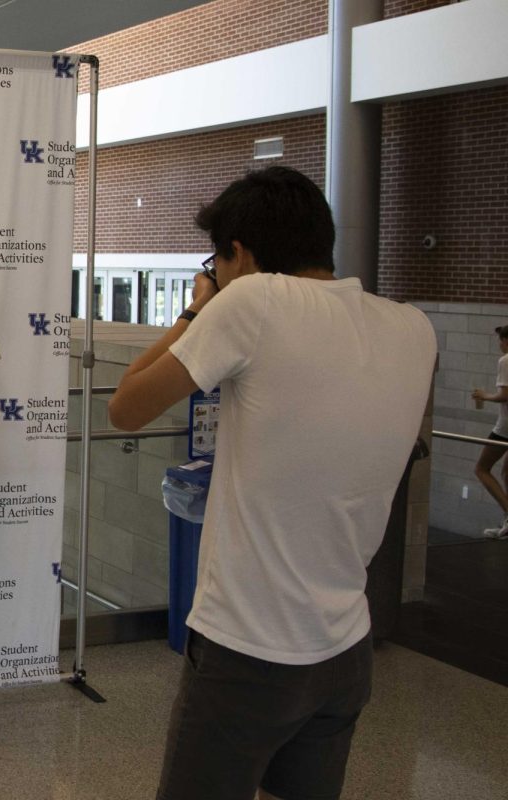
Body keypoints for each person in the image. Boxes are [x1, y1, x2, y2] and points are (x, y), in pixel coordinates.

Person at [107, 166, 436, 800]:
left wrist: (196, 308)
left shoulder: (252, 302)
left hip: (247, 650)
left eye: (217, 260)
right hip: (345, 646)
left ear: (243, 254)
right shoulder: (413, 328)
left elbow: (126, 406)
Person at [470, 325, 508, 539]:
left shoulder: (505, 361)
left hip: (505, 427)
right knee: (506, 472)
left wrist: (485, 396)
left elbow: (505, 395)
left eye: (500, 341)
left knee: (482, 468)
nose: (499, 345)